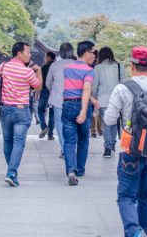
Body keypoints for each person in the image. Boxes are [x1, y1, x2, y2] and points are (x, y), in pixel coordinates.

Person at [104, 46, 147, 237]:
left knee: (126, 196)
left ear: (132, 66)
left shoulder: (122, 88)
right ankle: (143, 231)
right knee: (146, 197)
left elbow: (109, 119)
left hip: (130, 149)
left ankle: (135, 232)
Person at [0, 41, 42, 187]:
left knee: (7, 142)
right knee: (19, 142)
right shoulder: (27, 71)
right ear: (19, 53)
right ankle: (11, 172)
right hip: (21, 110)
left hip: (5, 109)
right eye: (28, 52)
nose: (30, 55)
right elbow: (37, 87)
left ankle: (11, 172)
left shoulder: (3, 66)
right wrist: (38, 71)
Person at [62, 40, 96, 185]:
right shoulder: (89, 70)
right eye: (93, 52)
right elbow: (85, 89)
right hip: (82, 105)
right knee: (83, 140)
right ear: (87, 53)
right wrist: (83, 110)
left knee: (69, 141)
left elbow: (75, 87)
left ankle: (71, 170)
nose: (95, 55)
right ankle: (80, 170)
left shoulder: (67, 68)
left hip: (68, 104)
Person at [46, 43, 75, 158]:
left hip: (58, 100)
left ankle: (64, 150)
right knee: (72, 125)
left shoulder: (54, 65)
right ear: (72, 52)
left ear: (60, 52)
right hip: (74, 100)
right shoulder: (77, 64)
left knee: (60, 125)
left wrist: (53, 90)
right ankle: (72, 149)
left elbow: (48, 83)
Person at [93, 46, 123, 158]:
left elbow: (95, 85)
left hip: (103, 99)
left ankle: (107, 147)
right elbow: (123, 83)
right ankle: (112, 144)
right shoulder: (120, 66)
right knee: (114, 122)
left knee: (106, 124)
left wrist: (93, 97)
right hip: (117, 99)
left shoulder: (98, 68)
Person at [37, 51, 57, 140]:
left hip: (45, 90)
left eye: (46, 57)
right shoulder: (57, 67)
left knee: (40, 110)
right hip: (55, 92)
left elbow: (40, 82)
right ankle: (50, 135)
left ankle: (44, 126)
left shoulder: (43, 67)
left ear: (48, 58)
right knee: (52, 113)